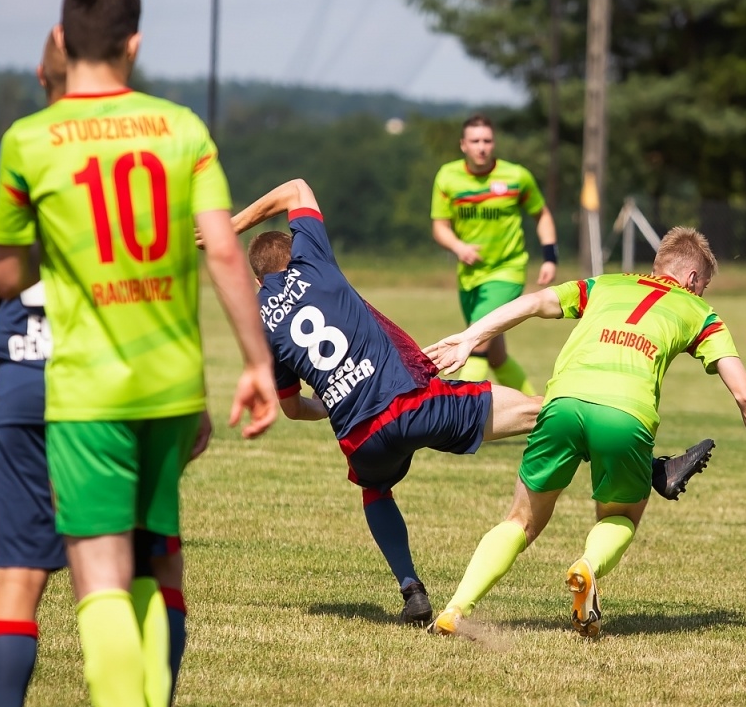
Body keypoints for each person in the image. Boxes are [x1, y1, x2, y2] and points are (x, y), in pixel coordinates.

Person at [0, 0, 278, 707]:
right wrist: (255, 364)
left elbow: (7, 272)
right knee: (154, 563)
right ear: (135, 44)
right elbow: (226, 253)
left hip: (87, 395)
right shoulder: (182, 128)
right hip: (170, 391)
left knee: (100, 581)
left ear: (61, 40)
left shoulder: (30, 141)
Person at [230, 179, 712, 625]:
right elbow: (296, 188)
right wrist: (227, 227)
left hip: (362, 435)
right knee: (549, 411)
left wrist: (333, 405)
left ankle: (411, 588)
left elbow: (292, 408)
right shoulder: (314, 264)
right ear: (297, 255)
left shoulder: (259, 322)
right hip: (413, 402)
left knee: (375, 491)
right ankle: (650, 469)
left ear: (258, 280)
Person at [0, 32, 194, 707]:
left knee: (19, 575)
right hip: (118, 383)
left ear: (40, 75)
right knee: (148, 568)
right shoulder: (136, 146)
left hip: (25, 385)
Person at [426, 227, 746, 639]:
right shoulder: (700, 313)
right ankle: (587, 567)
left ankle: (455, 609)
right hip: (626, 417)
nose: (702, 294)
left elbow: (536, 302)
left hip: (561, 404)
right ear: (691, 280)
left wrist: (472, 336)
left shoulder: (606, 284)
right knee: (621, 514)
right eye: (703, 286)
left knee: (521, 520)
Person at [430, 114, 557, 393]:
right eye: (475, 141)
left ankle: (460, 422)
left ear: (494, 143)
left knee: (474, 342)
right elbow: (440, 227)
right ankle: (540, 414)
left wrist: (550, 256)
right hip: (470, 277)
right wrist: (458, 247)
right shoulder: (448, 177)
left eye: (487, 140)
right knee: (496, 356)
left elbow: (542, 214)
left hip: (507, 272)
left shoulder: (516, 177)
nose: (482, 147)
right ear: (463, 145)